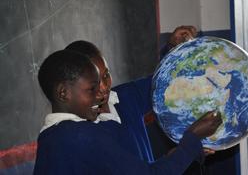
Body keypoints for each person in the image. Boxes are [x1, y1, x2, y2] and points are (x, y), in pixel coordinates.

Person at [33, 49, 222, 174]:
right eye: (91, 89)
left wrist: (179, 154)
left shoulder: (51, 136)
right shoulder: (82, 135)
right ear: (63, 93)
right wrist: (192, 137)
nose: (100, 95)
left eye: (105, 77)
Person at [64, 25, 204, 162]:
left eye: (106, 75)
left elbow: (164, 83)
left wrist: (173, 49)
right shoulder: (84, 134)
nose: (103, 87)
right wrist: (184, 153)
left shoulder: (125, 97)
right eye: (94, 83)